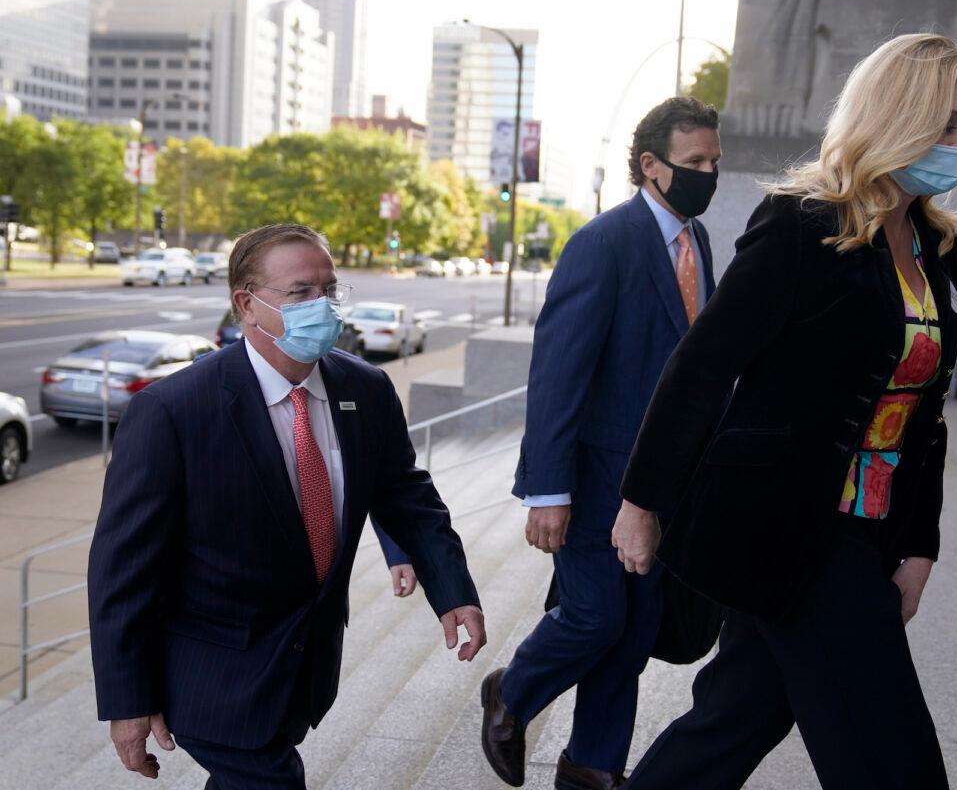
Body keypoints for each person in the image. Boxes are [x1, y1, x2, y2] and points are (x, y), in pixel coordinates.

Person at [610, 34, 957, 789]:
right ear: (894, 117)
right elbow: (703, 366)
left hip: (869, 530)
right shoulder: (803, 222)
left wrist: (920, 544)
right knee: (893, 758)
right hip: (792, 525)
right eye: (945, 123)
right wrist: (641, 502)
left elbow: (926, 414)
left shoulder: (937, 246)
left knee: (734, 719)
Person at [88, 223, 486, 788]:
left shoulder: (367, 390)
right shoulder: (173, 411)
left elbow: (408, 499)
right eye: (301, 292)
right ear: (247, 305)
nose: (322, 305)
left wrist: (454, 593)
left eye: (330, 289)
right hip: (210, 678)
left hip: (303, 670)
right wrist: (126, 700)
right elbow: (121, 569)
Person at [480, 97, 721, 790]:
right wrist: (547, 492)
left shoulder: (696, 242)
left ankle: (593, 769)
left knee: (634, 634)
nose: (708, 173)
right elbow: (557, 374)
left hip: (660, 484)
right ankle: (512, 692)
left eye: (714, 161)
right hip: (591, 485)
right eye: (695, 162)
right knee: (595, 617)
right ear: (651, 165)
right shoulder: (603, 242)